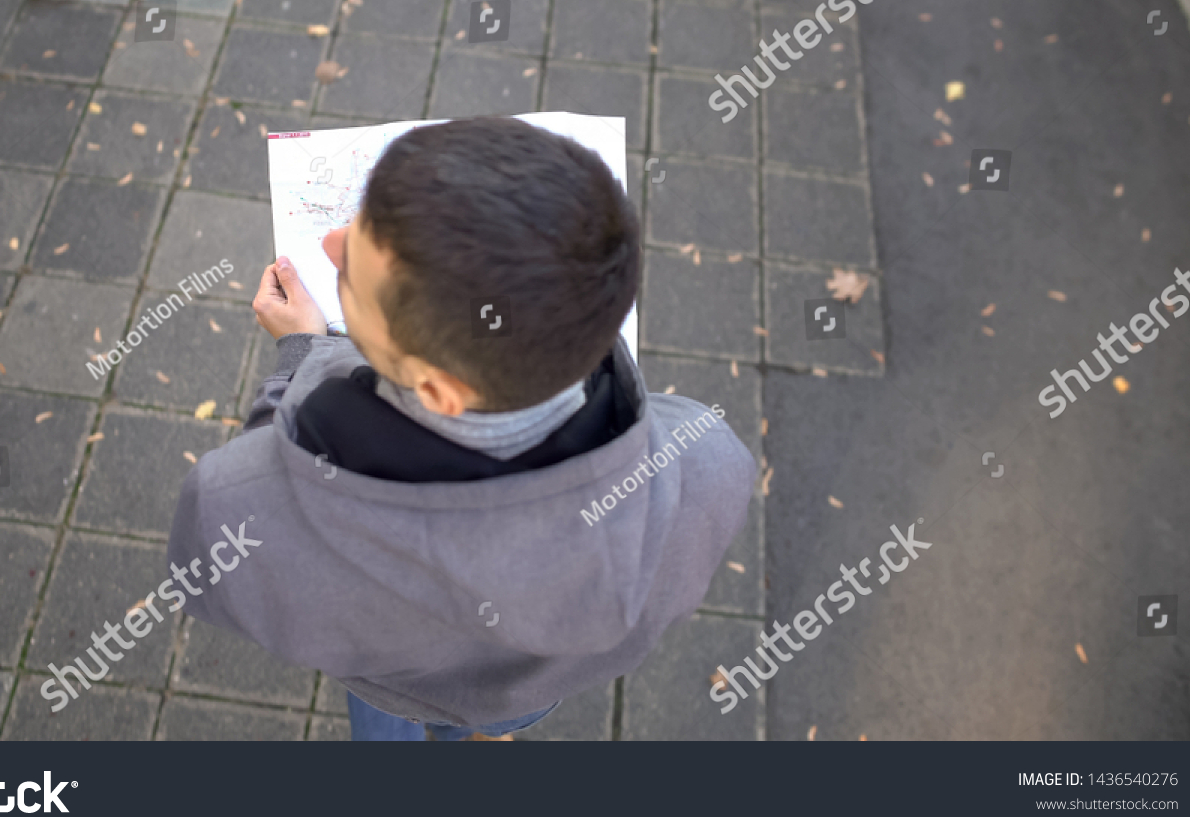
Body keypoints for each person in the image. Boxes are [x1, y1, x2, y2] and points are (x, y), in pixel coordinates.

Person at [167, 117, 755, 740]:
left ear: (439, 391)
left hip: (389, 682)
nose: (331, 244)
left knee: (388, 721)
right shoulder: (708, 466)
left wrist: (299, 361)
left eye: (353, 282)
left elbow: (216, 584)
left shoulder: (237, 503)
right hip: (529, 693)